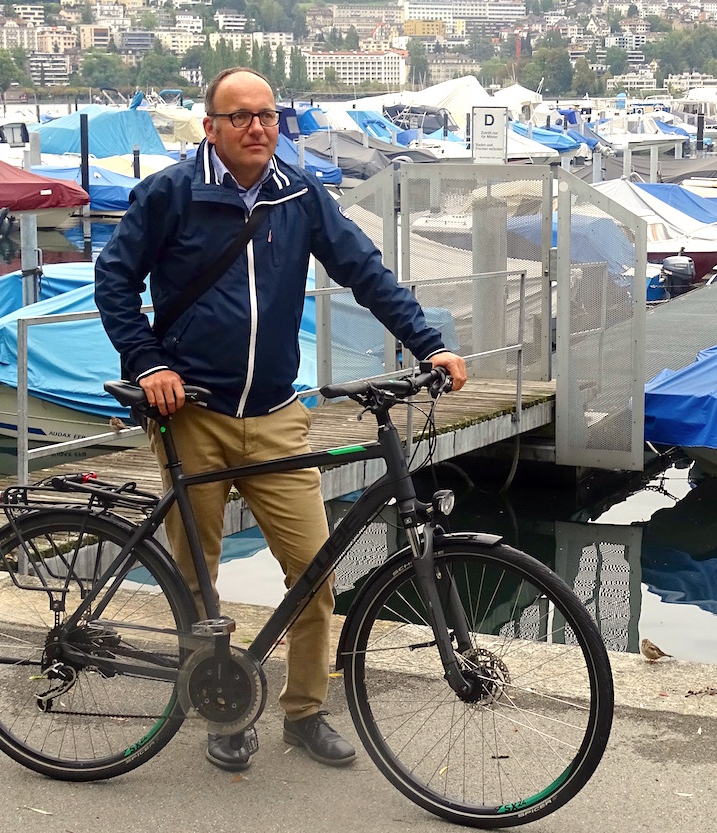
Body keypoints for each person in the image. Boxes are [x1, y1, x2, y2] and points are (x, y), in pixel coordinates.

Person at [94, 67, 467, 773]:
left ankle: (303, 711)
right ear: (210, 127)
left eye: (267, 114)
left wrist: (431, 343)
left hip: (274, 413)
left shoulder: (299, 193)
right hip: (191, 414)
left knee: (314, 573)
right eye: (239, 116)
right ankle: (220, 707)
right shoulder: (171, 193)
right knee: (198, 579)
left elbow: (365, 270)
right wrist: (148, 363)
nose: (257, 127)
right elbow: (115, 279)